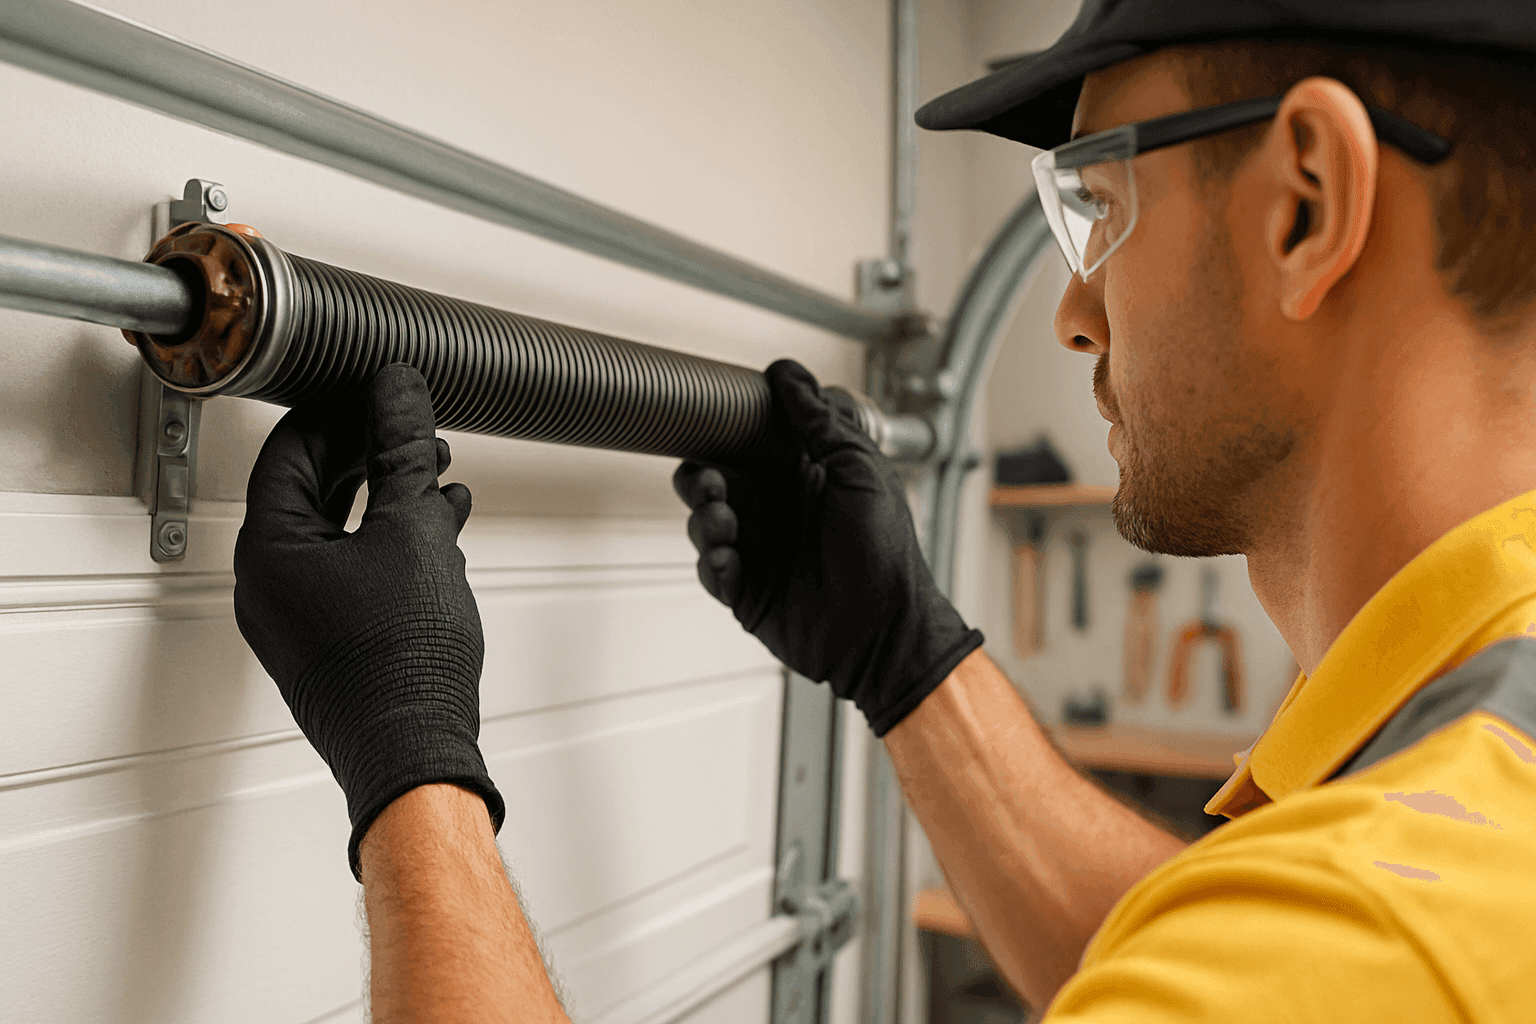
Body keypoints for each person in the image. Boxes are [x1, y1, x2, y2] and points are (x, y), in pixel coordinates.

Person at [231, 1, 1536, 1021]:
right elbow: (1197, 951)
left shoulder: (1385, 938)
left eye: (1102, 203)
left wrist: (410, 764)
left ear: (1306, 203)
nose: (1077, 315)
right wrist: (907, 661)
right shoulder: (1459, 797)